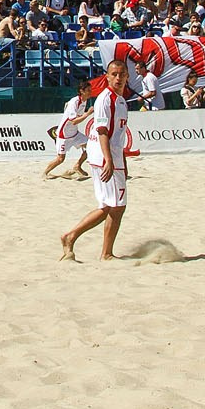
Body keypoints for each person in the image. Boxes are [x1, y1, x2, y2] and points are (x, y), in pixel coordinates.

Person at [61, 58, 130, 262]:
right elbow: (101, 131)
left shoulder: (121, 100)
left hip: (109, 156)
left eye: (122, 74)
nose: (118, 77)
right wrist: (109, 160)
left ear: (127, 76)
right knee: (117, 206)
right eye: (114, 74)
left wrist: (122, 163)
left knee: (108, 205)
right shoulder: (105, 99)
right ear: (107, 76)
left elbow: (118, 135)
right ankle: (104, 253)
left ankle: (71, 237)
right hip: (104, 157)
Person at [40, 79, 92, 180]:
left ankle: (77, 166)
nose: (91, 92)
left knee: (91, 147)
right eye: (88, 90)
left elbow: (69, 107)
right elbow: (74, 121)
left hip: (74, 133)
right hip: (64, 135)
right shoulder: (75, 102)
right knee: (60, 159)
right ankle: (45, 173)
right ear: (82, 91)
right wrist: (87, 114)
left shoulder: (84, 101)